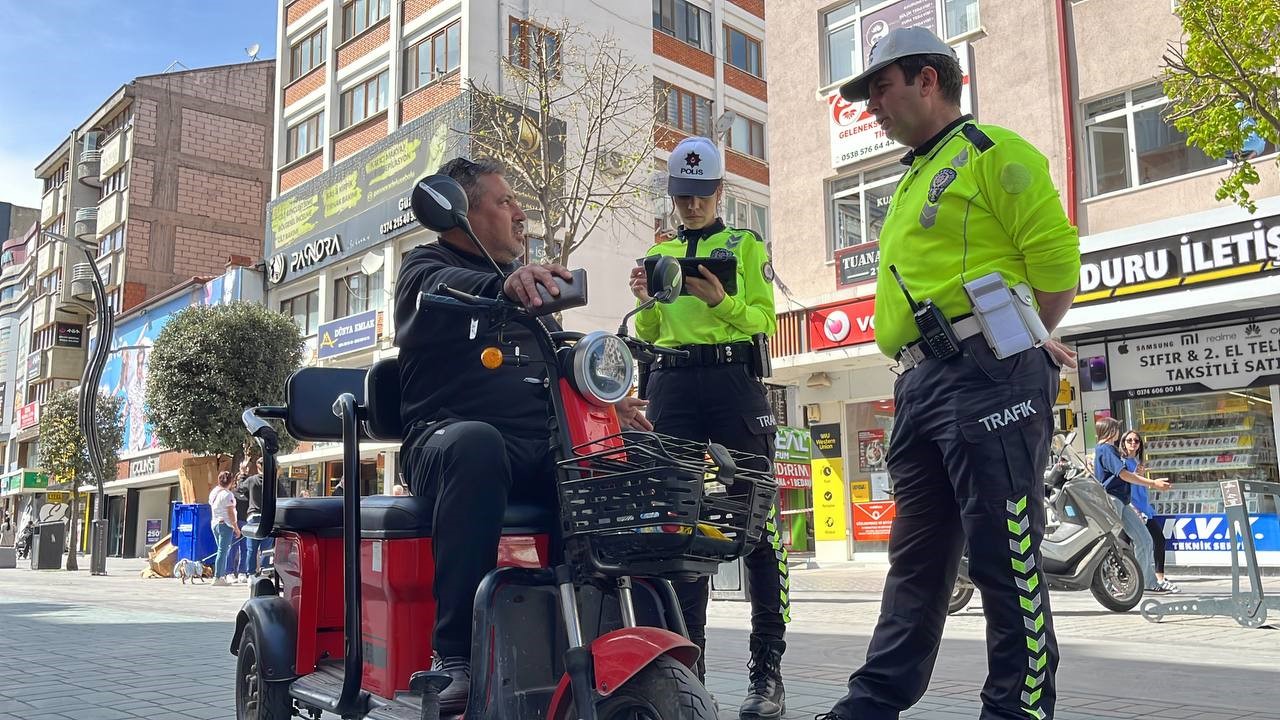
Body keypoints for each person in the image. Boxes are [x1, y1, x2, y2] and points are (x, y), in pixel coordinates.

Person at [816, 27, 1082, 720]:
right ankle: (869, 705)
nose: (870, 104)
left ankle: (1017, 710)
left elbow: (1055, 270)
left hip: (986, 375)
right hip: (920, 384)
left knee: (1005, 556)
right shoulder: (911, 174)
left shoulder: (993, 154)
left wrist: (1019, 345)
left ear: (929, 79)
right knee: (917, 562)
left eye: (881, 85)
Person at [395, 157, 649, 713]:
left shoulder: (527, 292)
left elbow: (562, 362)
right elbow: (440, 289)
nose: (520, 213)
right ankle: (454, 656)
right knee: (476, 443)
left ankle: (597, 631)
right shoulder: (424, 269)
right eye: (505, 201)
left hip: (533, 447)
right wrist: (501, 284)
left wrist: (613, 404)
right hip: (443, 444)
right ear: (459, 209)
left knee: (603, 454)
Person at [627, 136, 788, 720]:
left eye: (700, 194)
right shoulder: (661, 251)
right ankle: (685, 669)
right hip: (671, 384)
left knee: (757, 524)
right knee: (676, 528)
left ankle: (767, 671)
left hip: (731, 384)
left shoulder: (744, 245)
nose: (691, 205)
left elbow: (764, 317)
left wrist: (721, 302)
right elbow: (649, 331)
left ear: (720, 191)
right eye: (681, 195)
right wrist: (645, 299)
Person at [1096, 420, 1172, 595]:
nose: (1118, 433)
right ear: (1111, 430)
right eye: (1116, 429)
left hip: (1121, 501)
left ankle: (1145, 582)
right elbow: (1123, 475)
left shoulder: (1108, 450)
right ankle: (1113, 583)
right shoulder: (1106, 449)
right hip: (1113, 501)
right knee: (1110, 544)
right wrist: (1153, 482)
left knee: (1145, 540)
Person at [1120, 429, 1178, 594]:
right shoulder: (1121, 462)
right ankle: (1135, 580)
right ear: (1123, 442)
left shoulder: (1137, 462)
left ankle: (1156, 577)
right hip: (1131, 507)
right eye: (1129, 440)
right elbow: (1126, 481)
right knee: (1128, 544)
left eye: (1136, 441)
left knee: (1155, 540)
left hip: (1144, 508)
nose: (1133, 443)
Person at [240, 458, 286, 578]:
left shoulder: (251, 480)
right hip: (268, 517)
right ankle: (264, 572)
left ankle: (250, 574)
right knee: (266, 548)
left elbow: (240, 488)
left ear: (258, 466)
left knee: (251, 548)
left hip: (254, 516)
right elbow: (284, 497)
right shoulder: (275, 482)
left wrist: (243, 474)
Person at [208, 471, 240, 587]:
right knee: (223, 551)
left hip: (215, 523)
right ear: (231, 482)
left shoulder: (214, 492)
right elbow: (230, 512)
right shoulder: (228, 494)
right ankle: (218, 576)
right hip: (225, 524)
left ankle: (220, 575)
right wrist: (236, 527)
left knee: (221, 550)